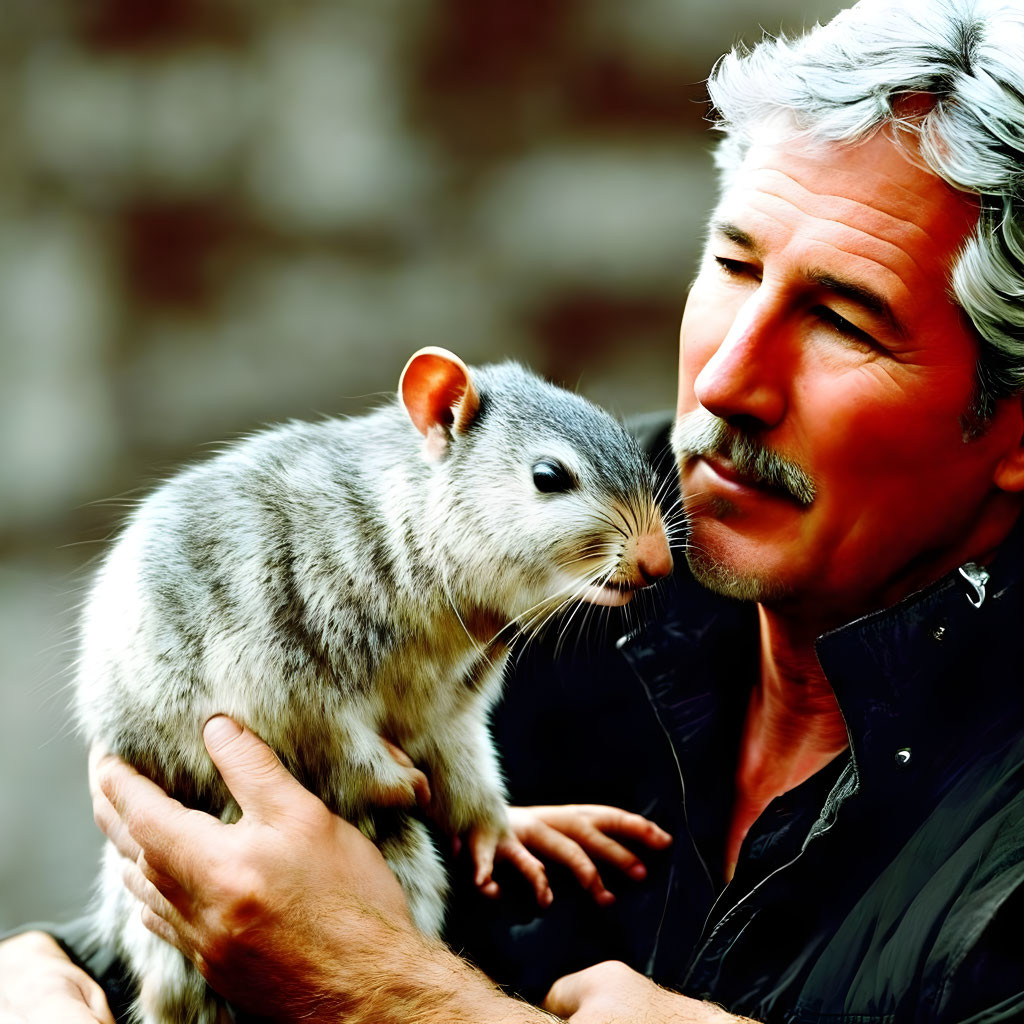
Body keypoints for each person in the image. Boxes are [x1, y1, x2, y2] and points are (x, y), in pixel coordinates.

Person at [5, 0, 1024, 1019]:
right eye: (733, 264)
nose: (724, 381)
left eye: (843, 319)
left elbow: (331, 949)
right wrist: (45, 969)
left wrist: (384, 991)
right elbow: (238, 899)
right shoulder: (582, 530)